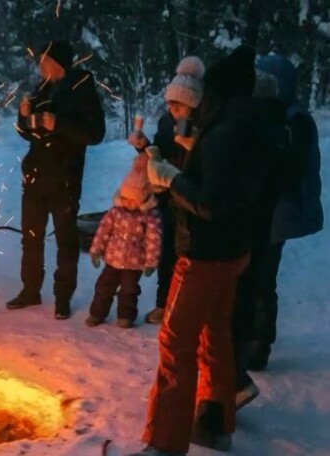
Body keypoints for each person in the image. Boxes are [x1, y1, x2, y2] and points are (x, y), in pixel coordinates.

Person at [129, 46, 265, 456]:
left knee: (175, 342)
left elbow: (210, 202)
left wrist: (171, 178)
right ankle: (213, 420)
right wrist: (190, 152)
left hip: (205, 253)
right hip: (232, 251)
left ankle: (164, 444)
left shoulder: (226, 133)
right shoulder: (244, 125)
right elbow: (225, 187)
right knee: (214, 336)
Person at [7, 40, 106, 320]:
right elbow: (26, 133)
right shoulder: (41, 90)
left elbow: (95, 133)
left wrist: (58, 124)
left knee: (66, 241)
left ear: (58, 63)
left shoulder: (81, 90)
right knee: (31, 238)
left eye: (44, 61)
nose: (39, 67)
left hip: (64, 179)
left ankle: (63, 297)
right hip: (36, 177)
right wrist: (23, 116)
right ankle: (30, 290)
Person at [240, 54, 324, 371]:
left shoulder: (294, 120)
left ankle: (258, 344)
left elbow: (289, 170)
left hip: (278, 209)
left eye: (266, 82)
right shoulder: (278, 114)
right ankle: (248, 334)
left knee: (262, 276)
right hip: (267, 206)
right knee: (253, 273)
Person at [128, 56, 205, 325]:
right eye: (170, 103)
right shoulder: (165, 122)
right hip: (167, 198)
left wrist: (192, 145)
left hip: (191, 198)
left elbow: (208, 166)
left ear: (193, 103)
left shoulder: (204, 127)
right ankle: (164, 303)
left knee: (187, 256)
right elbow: (159, 154)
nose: (173, 109)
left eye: (179, 104)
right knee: (166, 253)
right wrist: (143, 146)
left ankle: (184, 309)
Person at [232, 69, 288, 410]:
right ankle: (247, 354)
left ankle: (242, 366)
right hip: (261, 224)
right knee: (254, 288)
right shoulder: (277, 128)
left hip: (251, 227)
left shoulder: (262, 131)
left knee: (248, 292)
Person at [86, 153, 162, 328]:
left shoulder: (150, 217)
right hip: (113, 259)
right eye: (126, 198)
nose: (129, 203)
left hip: (134, 263)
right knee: (104, 287)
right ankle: (97, 313)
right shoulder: (115, 213)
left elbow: (153, 239)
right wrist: (96, 250)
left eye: (133, 200)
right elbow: (103, 231)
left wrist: (151, 262)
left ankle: (125, 317)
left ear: (144, 199)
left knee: (129, 290)